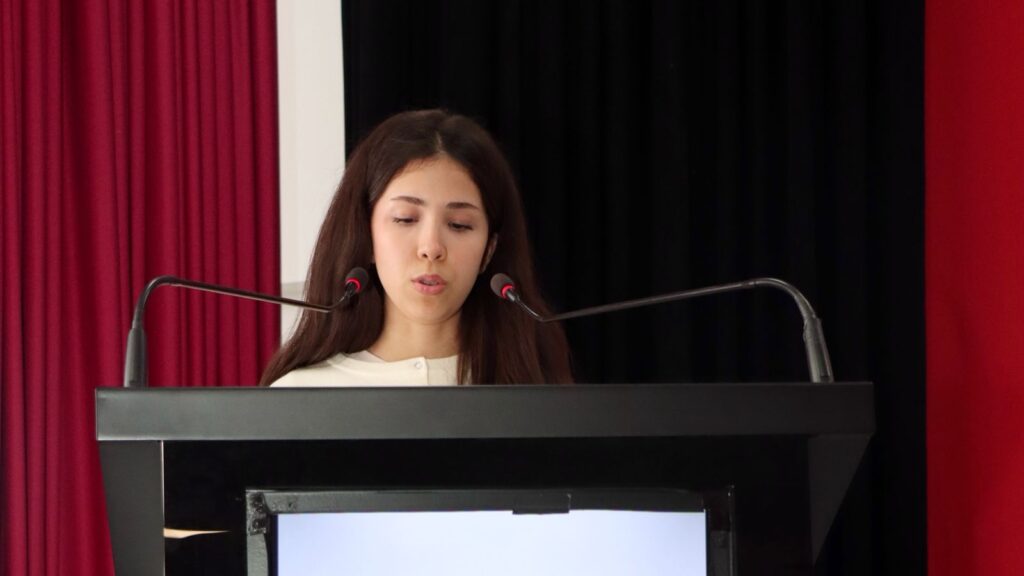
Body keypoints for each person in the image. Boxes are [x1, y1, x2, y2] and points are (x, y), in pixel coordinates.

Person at [262, 110, 573, 386]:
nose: (431, 248)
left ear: (489, 251)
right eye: (405, 219)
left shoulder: (541, 398)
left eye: (459, 225)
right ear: (366, 237)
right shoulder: (299, 396)